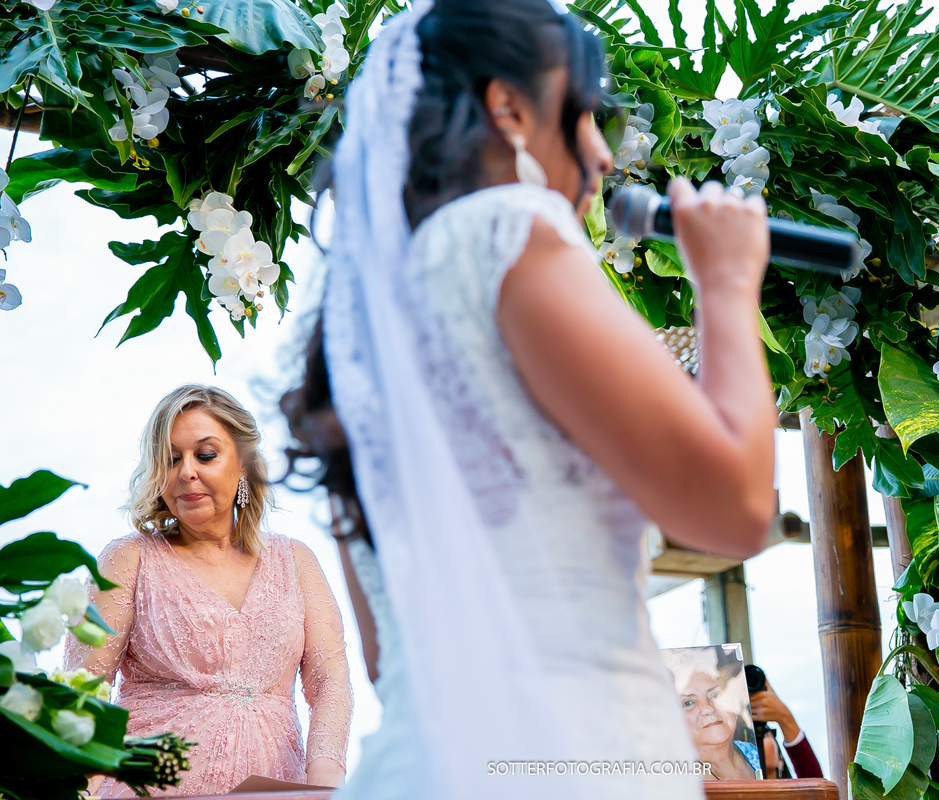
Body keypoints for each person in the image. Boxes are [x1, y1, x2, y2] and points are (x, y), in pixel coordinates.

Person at [281, 0, 776, 796]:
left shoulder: (361, 344)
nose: (600, 157)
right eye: (586, 118)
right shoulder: (508, 228)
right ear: (509, 108)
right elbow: (736, 507)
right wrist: (724, 283)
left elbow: (385, 659)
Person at [66, 385, 353, 796]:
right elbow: (81, 693)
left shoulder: (296, 561)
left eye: (205, 455)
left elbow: (330, 683)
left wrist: (325, 777)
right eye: (170, 459)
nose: (186, 472)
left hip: (274, 790)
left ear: (243, 465)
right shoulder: (129, 559)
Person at [677, 667, 758, 781]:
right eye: (688, 703)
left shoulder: (756, 754)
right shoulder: (675, 780)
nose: (708, 709)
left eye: (715, 695)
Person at [748, 678, 823, 779]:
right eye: (748, 736)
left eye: (763, 733)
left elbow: (815, 785)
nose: (756, 743)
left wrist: (785, 718)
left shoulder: (795, 793)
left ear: (780, 757)